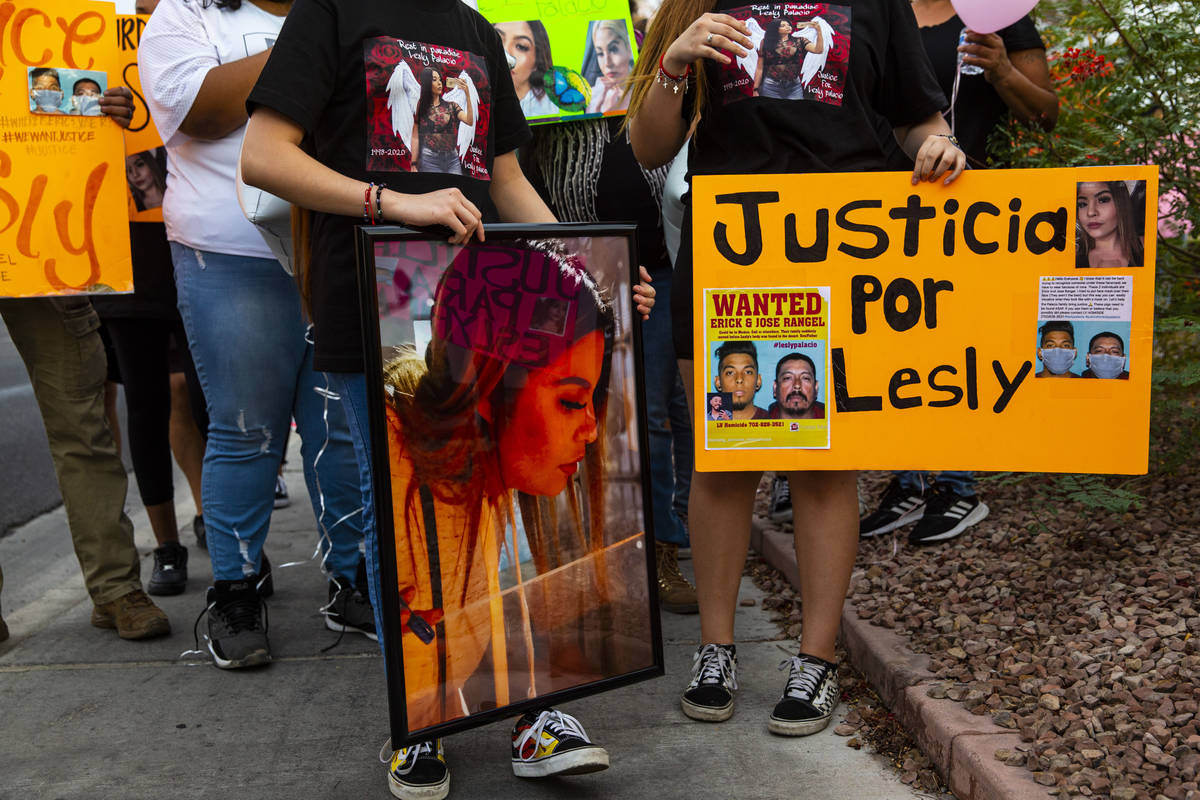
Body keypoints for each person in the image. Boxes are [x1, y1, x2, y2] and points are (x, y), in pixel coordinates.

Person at [238, 0, 655, 795]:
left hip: (495, 311)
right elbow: (262, 156)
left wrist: (589, 272)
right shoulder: (330, 12)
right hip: (376, 311)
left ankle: (534, 711)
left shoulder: (470, 28)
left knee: (505, 513)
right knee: (407, 527)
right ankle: (423, 717)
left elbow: (507, 181)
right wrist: (392, 203)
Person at [627, 0, 965, 736]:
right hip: (732, 249)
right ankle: (715, 651)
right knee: (723, 458)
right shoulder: (699, 2)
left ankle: (816, 660)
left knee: (824, 462)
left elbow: (917, 117)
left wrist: (940, 146)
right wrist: (675, 61)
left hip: (845, 248)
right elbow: (649, 148)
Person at [139, 0, 371, 670]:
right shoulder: (184, 14)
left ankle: (354, 580)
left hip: (332, 251)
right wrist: (313, 45)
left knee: (340, 429)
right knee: (246, 431)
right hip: (229, 256)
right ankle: (235, 594)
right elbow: (201, 112)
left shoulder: (342, 11)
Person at [858, 0, 1058, 545]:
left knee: (957, 346)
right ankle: (910, 481)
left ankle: (957, 486)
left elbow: (1046, 113)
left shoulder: (993, 13)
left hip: (971, 214)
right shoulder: (878, 10)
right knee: (897, 345)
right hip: (880, 211)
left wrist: (1003, 70)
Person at [0, 84, 170, 644]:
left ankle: (117, 588)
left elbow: (65, 82)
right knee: (83, 424)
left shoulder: (36, 34)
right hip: (41, 226)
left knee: (83, 423)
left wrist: (99, 108)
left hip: (44, 237)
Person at [413, 67, 474, 175]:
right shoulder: (422, 105)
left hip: (452, 159)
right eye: (434, 79)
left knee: (456, 184)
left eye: (440, 80)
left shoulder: (452, 105)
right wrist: (413, 162)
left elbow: (469, 121)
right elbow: (415, 133)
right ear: (427, 83)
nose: (439, 83)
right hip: (430, 159)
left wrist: (468, 95)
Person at [494, 20, 559, 118]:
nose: (505, 55)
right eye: (496, 40)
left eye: (521, 46)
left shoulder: (551, 109)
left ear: (538, 60)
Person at [1076, 181, 1144, 268]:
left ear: (1122, 204)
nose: (1090, 212)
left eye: (1103, 200)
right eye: (1082, 204)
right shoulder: (1070, 260)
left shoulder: (1145, 255)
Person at [753, 18, 825, 99]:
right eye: (783, 25)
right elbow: (759, 67)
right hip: (771, 86)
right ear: (775, 28)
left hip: (794, 87)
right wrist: (755, 88)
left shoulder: (800, 40)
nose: (787, 27)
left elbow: (818, 50)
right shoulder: (766, 42)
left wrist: (819, 31)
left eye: (788, 25)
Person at [586, 20, 635, 113]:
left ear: (629, 49)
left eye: (613, 49)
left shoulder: (644, 92)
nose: (607, 63)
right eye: (600, 53)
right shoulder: (592, 96)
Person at [713, 341, 768, 419]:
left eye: (748, 372)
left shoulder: (774, 421)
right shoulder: (706, 422)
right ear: (718, 382)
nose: (739, 379)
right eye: (730, 373)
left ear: (758, 381)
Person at [767, 352, 823, 419]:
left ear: (816, 388)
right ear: (775, 388)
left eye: (805, 378)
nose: (797, 385)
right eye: (787, 378)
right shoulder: (761, 419)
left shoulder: (831, 418)